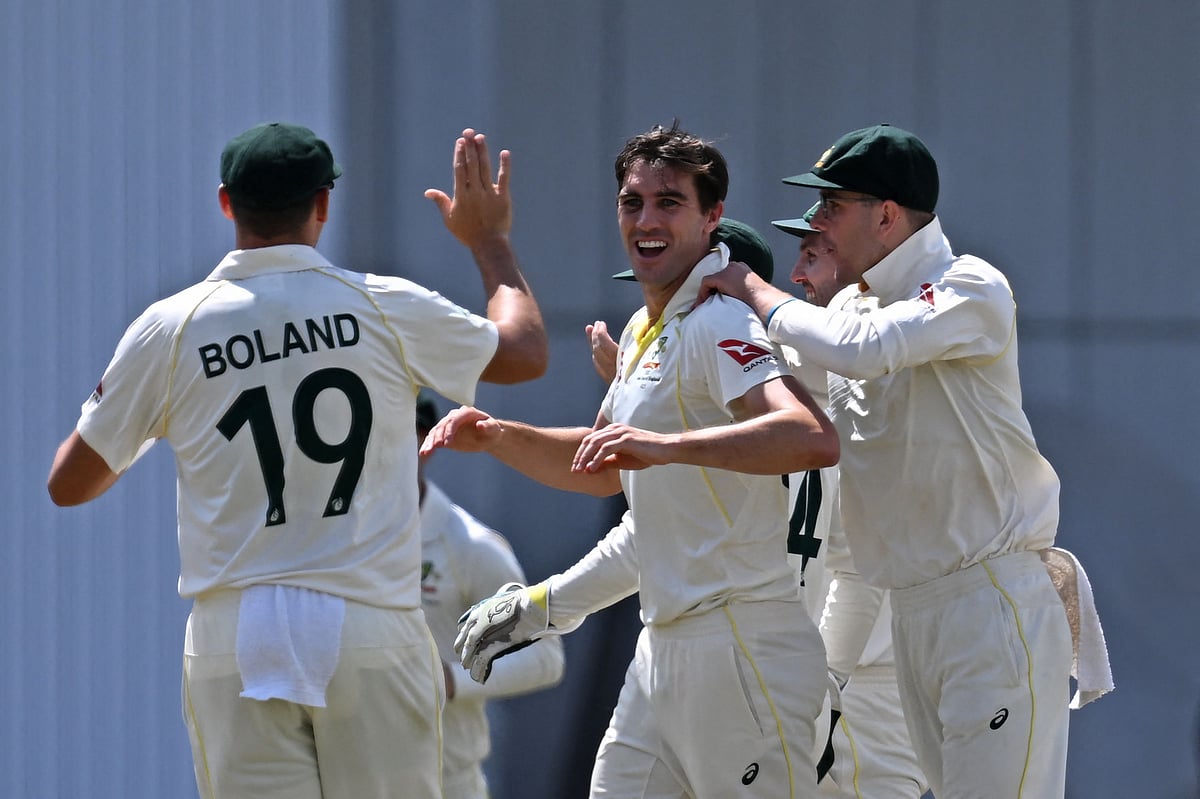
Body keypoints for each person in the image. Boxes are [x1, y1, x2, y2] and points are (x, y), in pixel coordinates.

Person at [46, 122, 548, 799]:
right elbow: (524, 351)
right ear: (323, 204)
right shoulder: (381, 303)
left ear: (227, 204)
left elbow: (70, 483)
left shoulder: (170, 327)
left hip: (236, 632)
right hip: (369, 620)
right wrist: (488, 240)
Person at [424, 122, 841, 799]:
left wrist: (662, 446)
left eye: (669, 202)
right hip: (664, 646)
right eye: (632, 201)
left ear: (714, 218)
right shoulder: (651, 329)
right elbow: (601, 470)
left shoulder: (718, 319)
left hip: (740, 646)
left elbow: (810, 434)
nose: (646, 219)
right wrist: (500, 434)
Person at [698, 123, 1076, 797]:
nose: (816, 224)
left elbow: (865, 347)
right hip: (912, 613)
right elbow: (785, 396)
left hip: (989, 600)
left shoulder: (969, 284)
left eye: (831, 207)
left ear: (887, 215)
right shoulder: (851, 313)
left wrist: (755, 291)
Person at [591, 209, 928, 797]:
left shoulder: (850, 395)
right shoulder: (762, 388)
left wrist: (830, 682)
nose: (798, 275)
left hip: (865, 683)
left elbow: (863, 569)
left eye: (815, 254)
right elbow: (650, 534)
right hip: (788, 669)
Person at [415, 390, 565, 799]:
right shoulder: (333, 540)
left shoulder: (469, 545)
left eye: (393, 436)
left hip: (443, 781)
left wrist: (449, 679)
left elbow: (544, 657)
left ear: (425, 442)